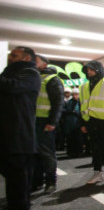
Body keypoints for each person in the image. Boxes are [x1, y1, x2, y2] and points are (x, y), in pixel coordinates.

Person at [0, 46, 41, 210]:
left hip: (19, 129)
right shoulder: (8, 74)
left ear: (26, 58)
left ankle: (19, 205)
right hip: (7, 128)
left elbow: (13, 87)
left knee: (18, 170)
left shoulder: (30, 73)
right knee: (9, 168)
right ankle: (16, 201)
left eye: (14, 55)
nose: (10, 57)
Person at [32, 54, 64, 194]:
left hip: (45, 121)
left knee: (47, 153)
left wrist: (52, 122)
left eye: (36, 61)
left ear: (44, 64)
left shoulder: (53, 80)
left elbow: (58, 103)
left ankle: (51, 181)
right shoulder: (35, 78)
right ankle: (36, 182)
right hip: (32, 121)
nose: (33, 63)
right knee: (34, 153)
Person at [63, 87, 83, 158]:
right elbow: (64, 110)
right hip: (70, 123)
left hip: (77, 123)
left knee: (78, 138)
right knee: (70, 139)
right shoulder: (69, 102)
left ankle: (78, 152)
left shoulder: (81, 102)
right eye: (73, 94)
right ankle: (70, 152)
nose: (75, 96)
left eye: (76, 94)